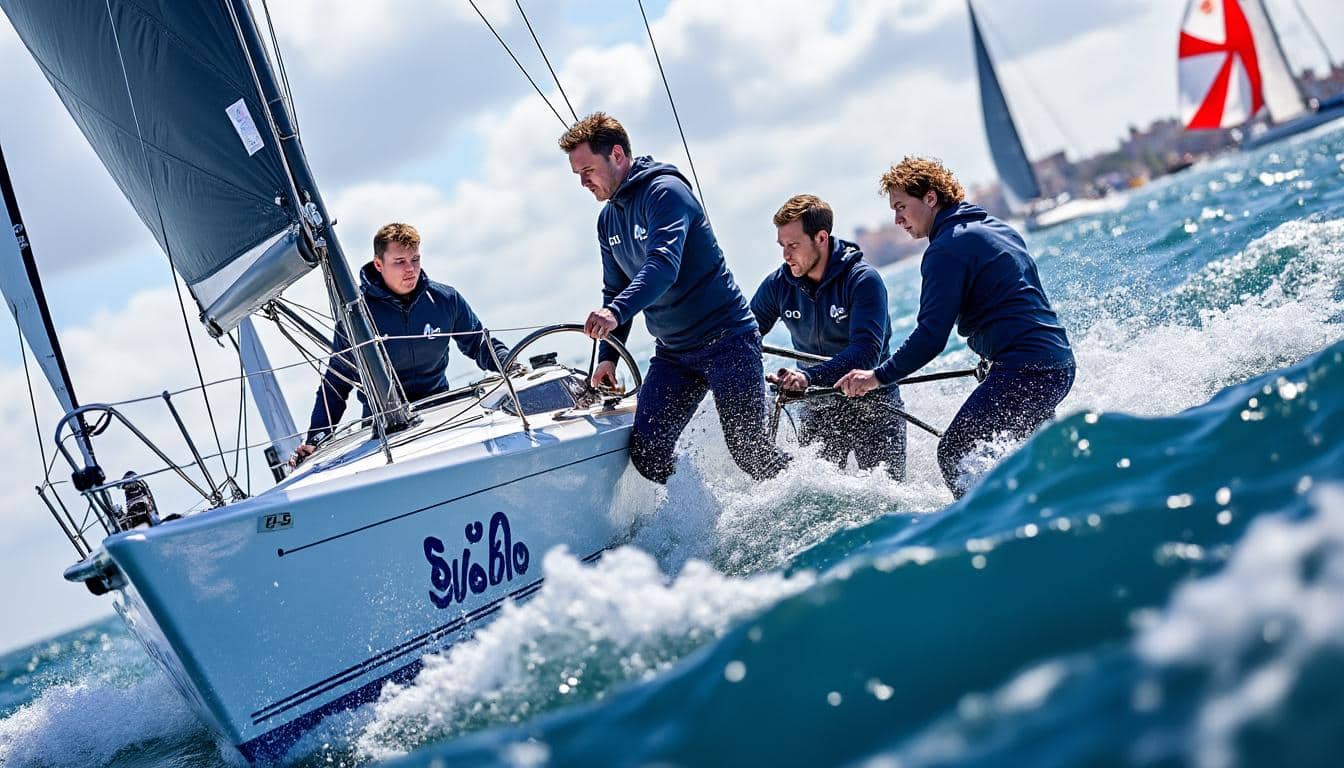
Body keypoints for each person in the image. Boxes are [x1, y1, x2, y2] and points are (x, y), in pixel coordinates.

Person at [560, 112, 789, 484]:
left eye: (587, 170)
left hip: (727, 341)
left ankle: (815, 489)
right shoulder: (607, 221)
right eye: (577, 174)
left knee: (749, 451)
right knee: (647, 454)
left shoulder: (665, 192)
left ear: (616, 155)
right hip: (675, 354)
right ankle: (705, 507)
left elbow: (663, 265)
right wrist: (607, 359)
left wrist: (615, 312)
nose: (583, 182)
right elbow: (615, 289)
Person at [836, 157, 1075, 497]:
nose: (897, 219)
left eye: (901, 206)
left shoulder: (945, 249)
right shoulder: (998, 228)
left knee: (955, 452)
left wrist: (876, 377)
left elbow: (931, 336)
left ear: (930, 198)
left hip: (1026, 370)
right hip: (1058, 364)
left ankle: (993, 523)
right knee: (1031, 456)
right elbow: (1017, 307)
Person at [290, 222, 511, 466]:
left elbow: (479, 344)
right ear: (378, 264)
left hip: (441, 415)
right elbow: (336, 385)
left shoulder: (445, 299)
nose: (410, 269)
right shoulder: (357, 316)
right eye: (399, 262)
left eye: (415, 259)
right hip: (384, 433)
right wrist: (316, 439)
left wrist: (509, 364)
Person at [751, 194, 906, 479]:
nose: (786, 255)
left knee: (888, 498)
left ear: (821, 238)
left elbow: (866, 354)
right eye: (782, 246)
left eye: (793, 245)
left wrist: (807, 377)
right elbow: (744, 339)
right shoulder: (777, 287)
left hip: (874, 405)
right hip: (818, 409)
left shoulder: (863, 280)